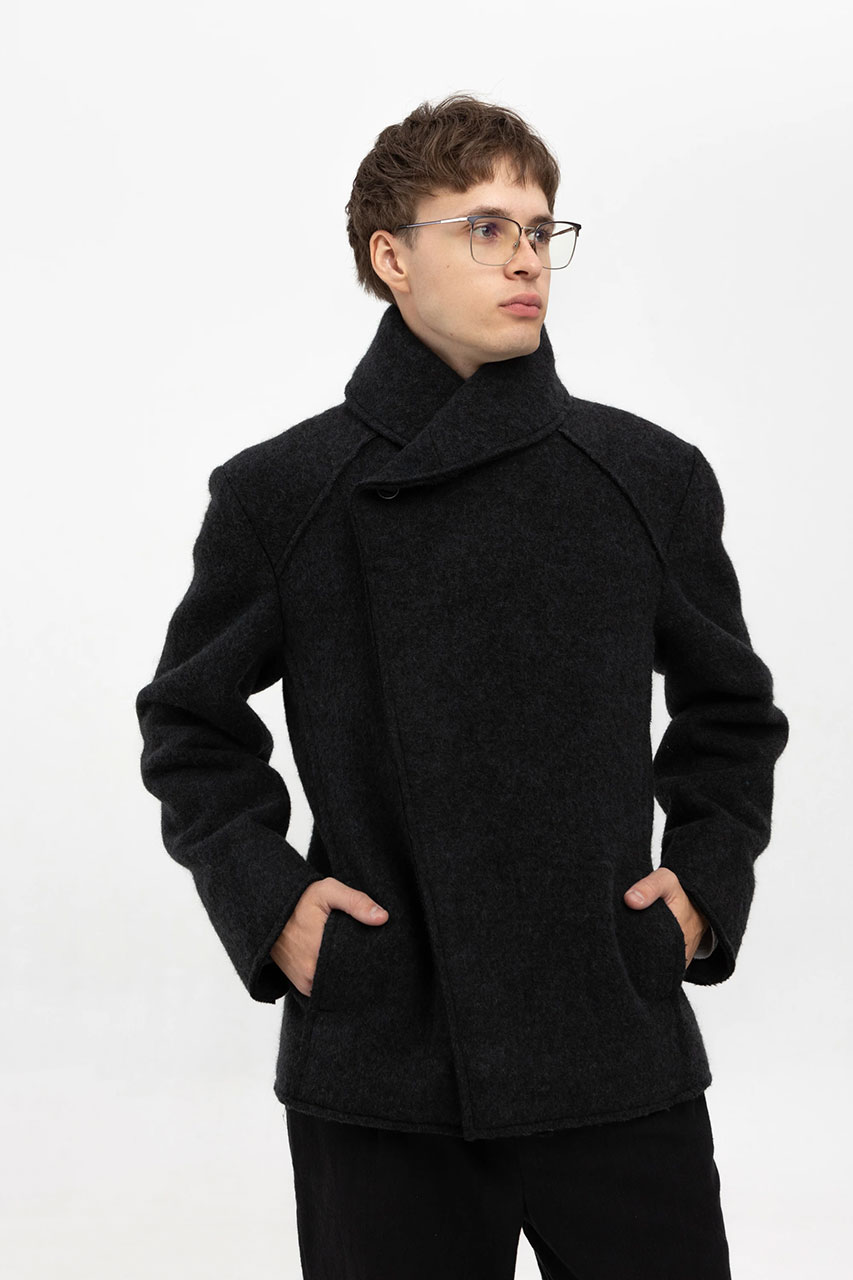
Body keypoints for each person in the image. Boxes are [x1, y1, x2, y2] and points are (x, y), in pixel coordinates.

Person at [135, 92, 790, 1278]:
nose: (527, 258)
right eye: (485, 227)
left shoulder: (647, 477)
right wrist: (272, 903)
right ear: (391, 256)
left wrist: (701, 886)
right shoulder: (282, 493)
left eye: (540, 229)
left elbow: (732, 712)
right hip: (386, 1047)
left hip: (609, 1032)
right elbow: (188, 721)